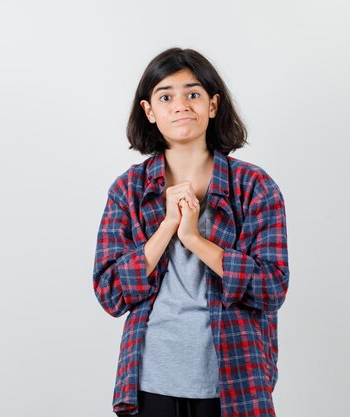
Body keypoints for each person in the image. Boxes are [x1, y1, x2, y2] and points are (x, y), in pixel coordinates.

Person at [92, 47, 290, 417]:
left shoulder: (254, 186)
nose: (180, 104)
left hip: (235, 377)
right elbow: (110, 293)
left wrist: (194, 240)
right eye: (166, 96)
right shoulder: (128, 190)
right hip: (150, 378)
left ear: (213, 105)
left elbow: (272, 287)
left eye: (193, 94)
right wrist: (167, 226)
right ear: (149, 111)